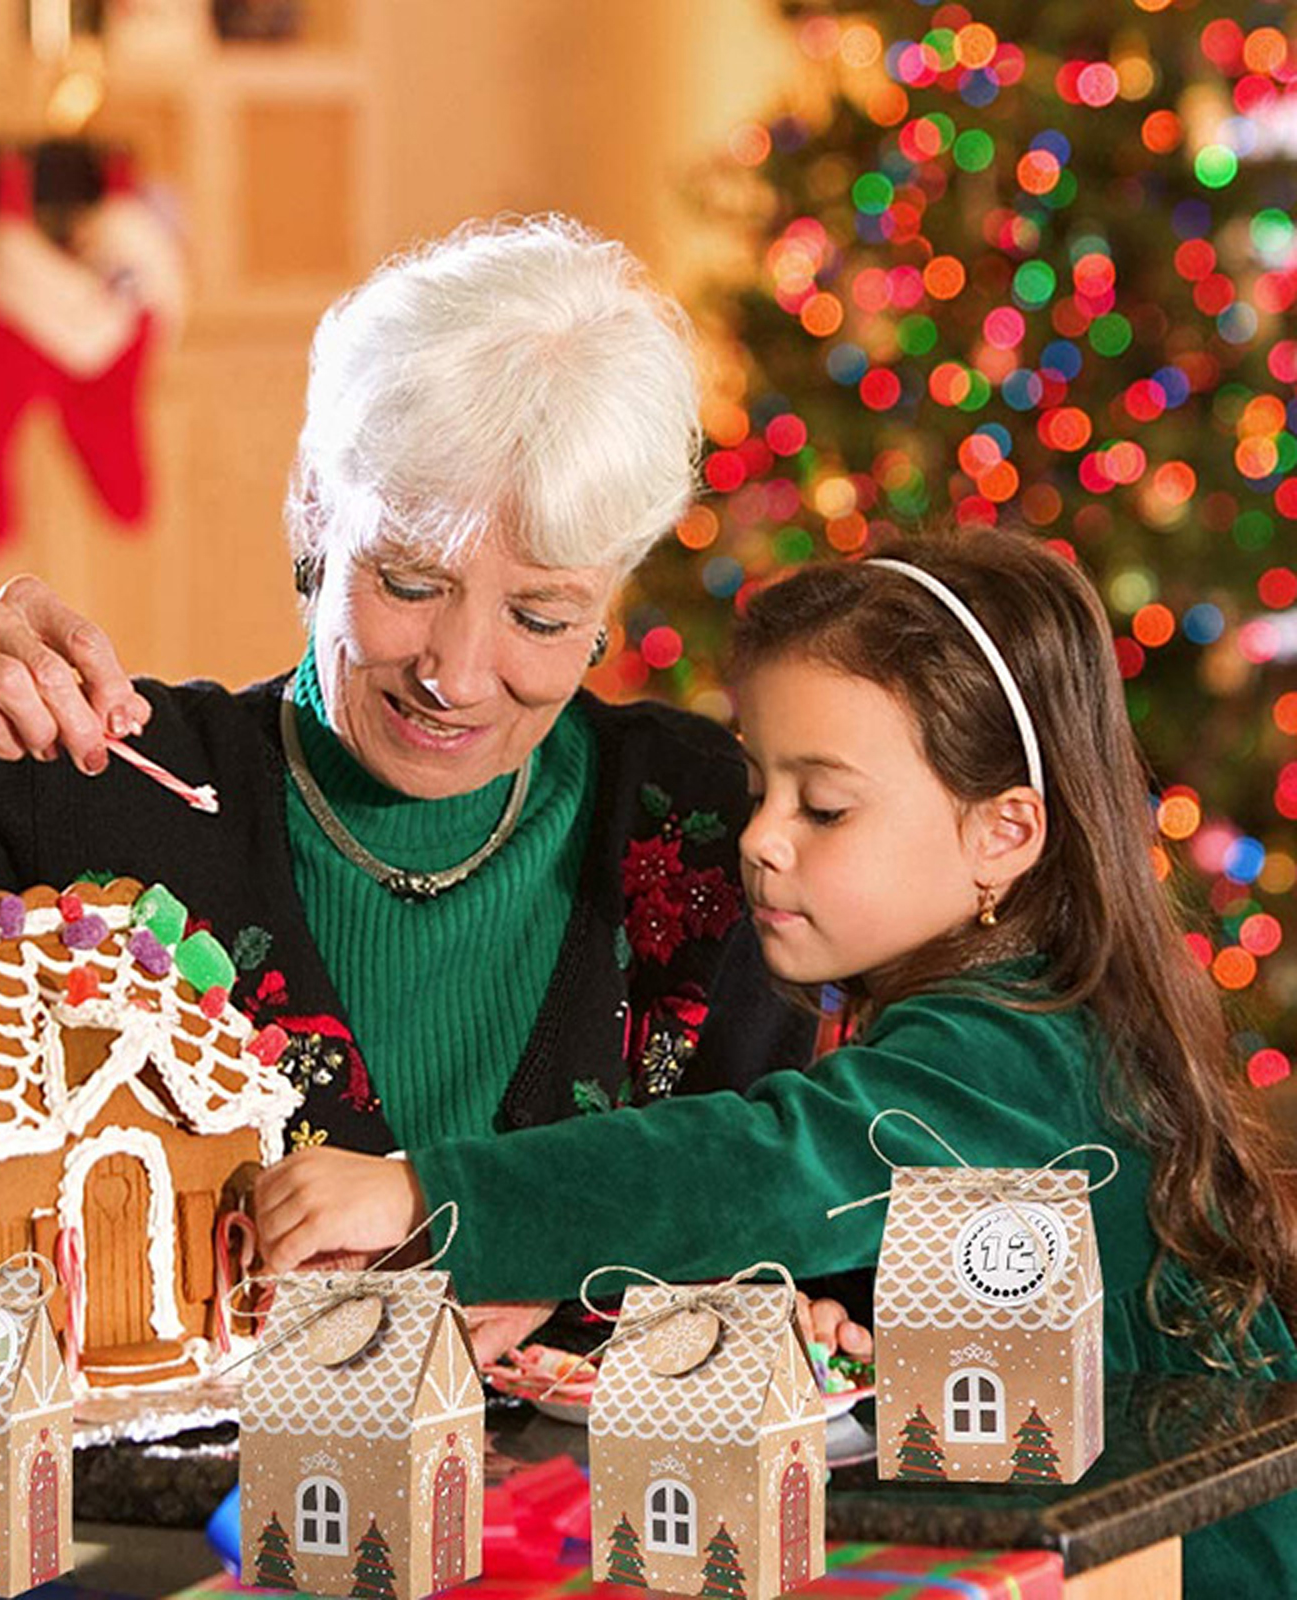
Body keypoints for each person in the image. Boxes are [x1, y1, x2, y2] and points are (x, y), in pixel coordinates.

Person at [0, 215, 822, 1358]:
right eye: (410, 580)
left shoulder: (701, 830)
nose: (456, 672)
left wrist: (574, 1248)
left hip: (603, 1531)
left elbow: (848, 1194)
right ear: (314, 525)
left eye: (540, 615)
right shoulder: (98, 782)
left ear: (607, 608)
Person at [252, 528, 1297, 1591]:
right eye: (760, 789)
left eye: (824, 807)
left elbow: (770, 1160)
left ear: (1003, 833)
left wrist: (423, 1194)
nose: (758, 837)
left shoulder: (1006, 1044)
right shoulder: (998, 1010)